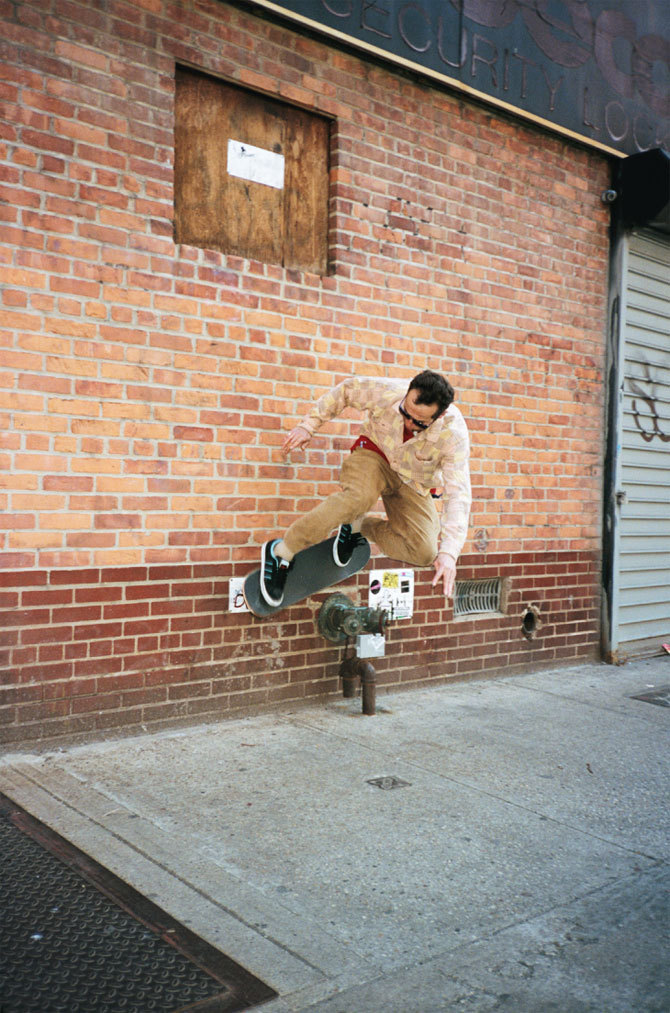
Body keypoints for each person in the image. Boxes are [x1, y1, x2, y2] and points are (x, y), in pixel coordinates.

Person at [259, 370, 471, 607]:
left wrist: (450, 553)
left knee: (423, 551)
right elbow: (346, 390)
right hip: (375, 453)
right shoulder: (387, 391)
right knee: (358, 499)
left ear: (439, 415)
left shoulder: (453, 436)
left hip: (414, 481)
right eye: (405, 412)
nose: (408, 423)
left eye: (419, 422)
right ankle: (282, 552)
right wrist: (308, 426)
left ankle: (357, 527)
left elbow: (458, 495)